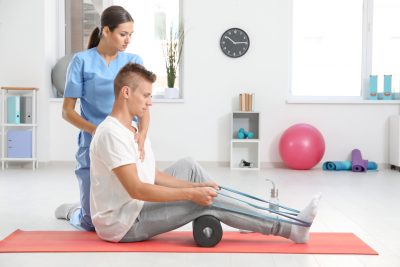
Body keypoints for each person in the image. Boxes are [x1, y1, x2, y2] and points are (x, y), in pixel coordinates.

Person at [89, 62, 322, 244]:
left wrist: (195, 187)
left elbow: (153, 175)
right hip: (124, 223)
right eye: (146, 95)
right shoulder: (111, 134)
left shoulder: (133, 130)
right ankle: (292, 230)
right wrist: (193, 196)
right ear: (126, 92)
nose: (150, 103)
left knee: (189, 166)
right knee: (206, 202)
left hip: (134, 208)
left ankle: (244, 216)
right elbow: (137, 189)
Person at [54, 6, 150, 232]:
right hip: (92, 141)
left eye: (130, 35)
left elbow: (143, 104)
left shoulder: (133, 60)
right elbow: (67, 111)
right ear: (106, 30)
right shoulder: (81, 61)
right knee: (90, 224)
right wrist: (97, 130)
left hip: (125, 140)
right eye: (123, 34)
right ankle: (74, 211)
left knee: (131, 208)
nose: (128, 40)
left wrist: (143, 134)